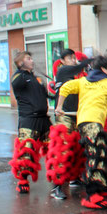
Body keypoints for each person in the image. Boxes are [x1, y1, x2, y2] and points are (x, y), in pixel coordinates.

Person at [56, 55, 107, 209]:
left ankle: (106, 186)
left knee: (105, 151)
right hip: (90, 123)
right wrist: (59, 107)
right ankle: (92, 195)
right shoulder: (101, 83)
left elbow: (106, 107)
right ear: (104, 69)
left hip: (90, 122)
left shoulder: (90, 82)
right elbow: (65, 88)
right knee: (96, 154)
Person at [45, 49, 93, 200]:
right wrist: (90, 60)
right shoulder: (64, 71)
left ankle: (74, 178)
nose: (73, 60)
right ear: (63, 61)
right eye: (70, 58)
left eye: (74, 57)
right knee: (62, 150)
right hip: (64, 116)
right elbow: (78, 67)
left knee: (77, 148)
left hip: (75, 115)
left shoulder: (75, 75)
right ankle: (57, 186)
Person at [9, 51, 51, 194]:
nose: (32, 61)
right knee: (26, 152)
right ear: (21, 63)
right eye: (28, 58)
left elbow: (48, 95)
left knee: (54, 148)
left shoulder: (36, 79)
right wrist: (20, 67)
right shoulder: (18, 77)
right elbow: (16, 83)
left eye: (32, 58)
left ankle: (59, 179)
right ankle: (23, 181)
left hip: (44, 119)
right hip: (29, 120)